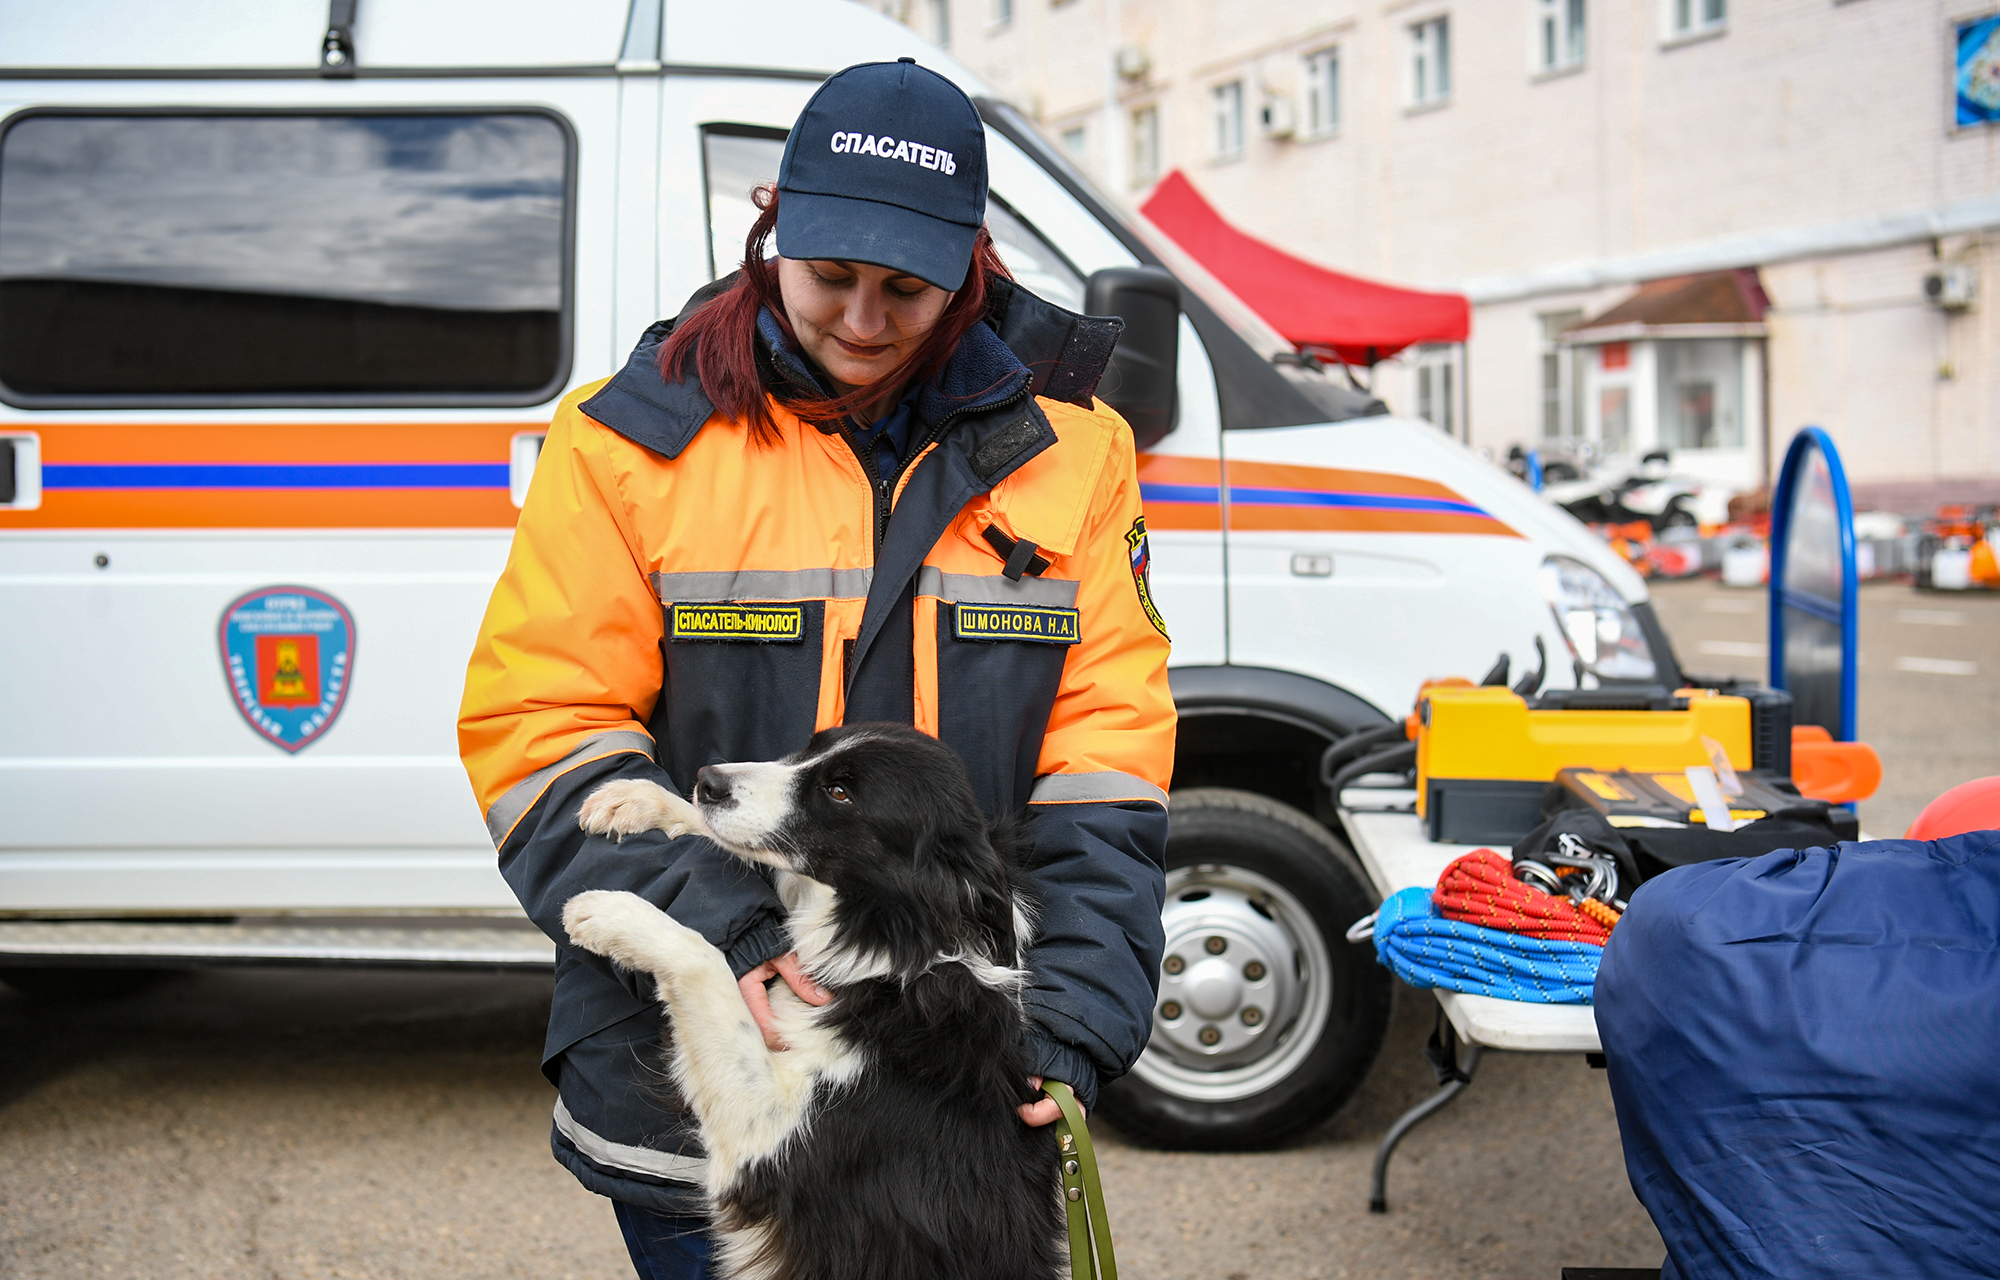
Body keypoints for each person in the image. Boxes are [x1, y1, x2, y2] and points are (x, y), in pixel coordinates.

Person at [458, 59, 1175, 1278]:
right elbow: (542, 728)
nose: (857, 318)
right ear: (766, 222)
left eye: (903, 287)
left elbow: (1104, 759)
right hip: (685, 1084)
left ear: (971, 261)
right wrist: (731, 938)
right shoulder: (627, 438)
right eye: (827, 274)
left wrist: (1072, 1019)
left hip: (945, 1100)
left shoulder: (1077, 452)